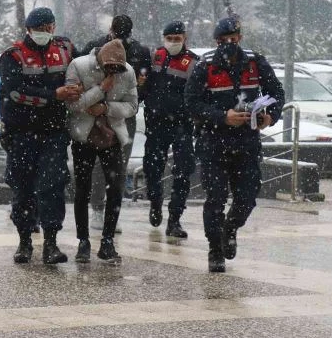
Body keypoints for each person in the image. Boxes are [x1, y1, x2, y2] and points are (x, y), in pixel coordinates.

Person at [184, 16, 284, 272]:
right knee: (215, 197)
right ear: (217, 42)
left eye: (234, 39)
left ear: (240, 38)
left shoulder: (254, 61)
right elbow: (192, 103)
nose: (230, 44)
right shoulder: (205, 65)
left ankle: (231, 227)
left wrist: (269, 115)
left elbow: (276, 92)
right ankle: (215, 249)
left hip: (247, 141)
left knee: (247, 196)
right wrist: (222, 116)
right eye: (224, 40)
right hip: (213, 141)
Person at [0, 7, 82, 265]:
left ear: (54, 27)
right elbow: (14, 92)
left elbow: (83, 71)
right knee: (23, 189)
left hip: (54, 133)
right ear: (28, 30)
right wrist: (52, 96)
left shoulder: (66, 49)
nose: (44, 34)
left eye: (48, 28)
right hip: (22, 133)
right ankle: (24, 241)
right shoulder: (13, 56)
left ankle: (51, 243)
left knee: (52, 187)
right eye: (39, 30)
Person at [65, 39, 138, 263]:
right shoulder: (78, 66)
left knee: (115, 188)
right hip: (84, 136)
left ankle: (107, 241)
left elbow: (132, 106)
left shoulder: (128, 72)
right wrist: (100, 90)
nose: (113, 72)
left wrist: (106, 108)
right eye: (109, 67)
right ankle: (83, 241)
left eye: (118, 69)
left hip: (112, 136)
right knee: (83, 188)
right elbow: (73, 105)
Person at [80, 15, 151, 226]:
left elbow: (144, 88)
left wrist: (133, 92)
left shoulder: (139, 52)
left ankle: (111, 211)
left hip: (121, 115)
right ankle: (98, 209)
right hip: (98, 115)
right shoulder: (95, 47)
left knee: (117, 167)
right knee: (101, 166)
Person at [142, 20, 199, 238]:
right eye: (170, 39)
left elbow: (197, 93)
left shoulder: (193, 62)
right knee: (152, 168)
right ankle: (155, 202)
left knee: (183, 170)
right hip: (156, 124)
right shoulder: (155, 56)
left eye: (177, 39)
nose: (173, 42)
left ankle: (175, 219)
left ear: (185, 39)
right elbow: (144, 86)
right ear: (163, 38)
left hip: (182, 125)